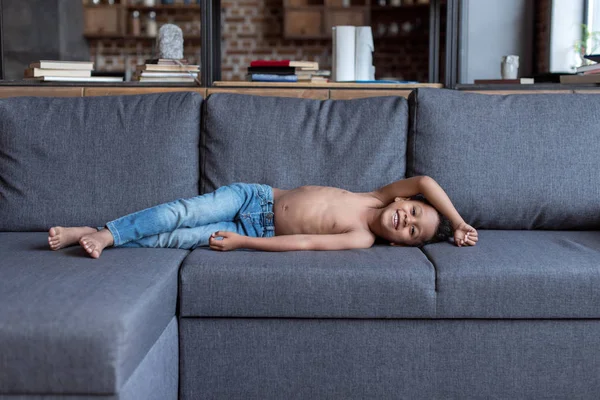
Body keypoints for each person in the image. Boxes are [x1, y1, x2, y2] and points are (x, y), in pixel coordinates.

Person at [48, 176, 478, 259]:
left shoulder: (361, 237)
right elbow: (425, 179)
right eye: (415, 211)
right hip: (250, 197)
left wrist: (243, 243)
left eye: (413, 231)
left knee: (173, 239)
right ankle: (106, 234)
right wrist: (456, 222)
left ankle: (98, 233)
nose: (407, 219)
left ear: (400, 243)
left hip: (250, 228)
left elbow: (305, 243)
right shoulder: (376, 195)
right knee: (181, 212)